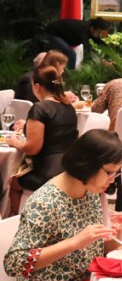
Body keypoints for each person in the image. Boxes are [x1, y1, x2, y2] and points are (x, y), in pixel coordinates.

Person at [3, 129, 122, 281]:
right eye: (109, 172)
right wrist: (73, 243)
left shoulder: (89, 191)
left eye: (117, 173)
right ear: (87, 164)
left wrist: (116, 242)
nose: (112, 179)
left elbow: (87, 249)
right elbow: (15, 263)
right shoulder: (46, 203)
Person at [8, 66, 78, 195]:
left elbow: (32, 148)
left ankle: (21, 210)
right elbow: (54, 130)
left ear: (37, 86)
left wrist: (14, 142)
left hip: (47, 174)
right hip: (69, 170)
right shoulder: (68, 107)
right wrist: (26, 125)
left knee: (12, 183)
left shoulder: (40, 108)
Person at [43, 17, 109, 70]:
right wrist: (100, 60)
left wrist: (110, 48)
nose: (99, 34)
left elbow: (97, 41)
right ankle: (70, 75)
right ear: (93, 28)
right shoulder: (83, 30)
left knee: (65, 54)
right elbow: (87, 48)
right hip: (53, 33)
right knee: (71, 54)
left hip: (62, 35)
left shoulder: (90, 28)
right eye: (99, 32)